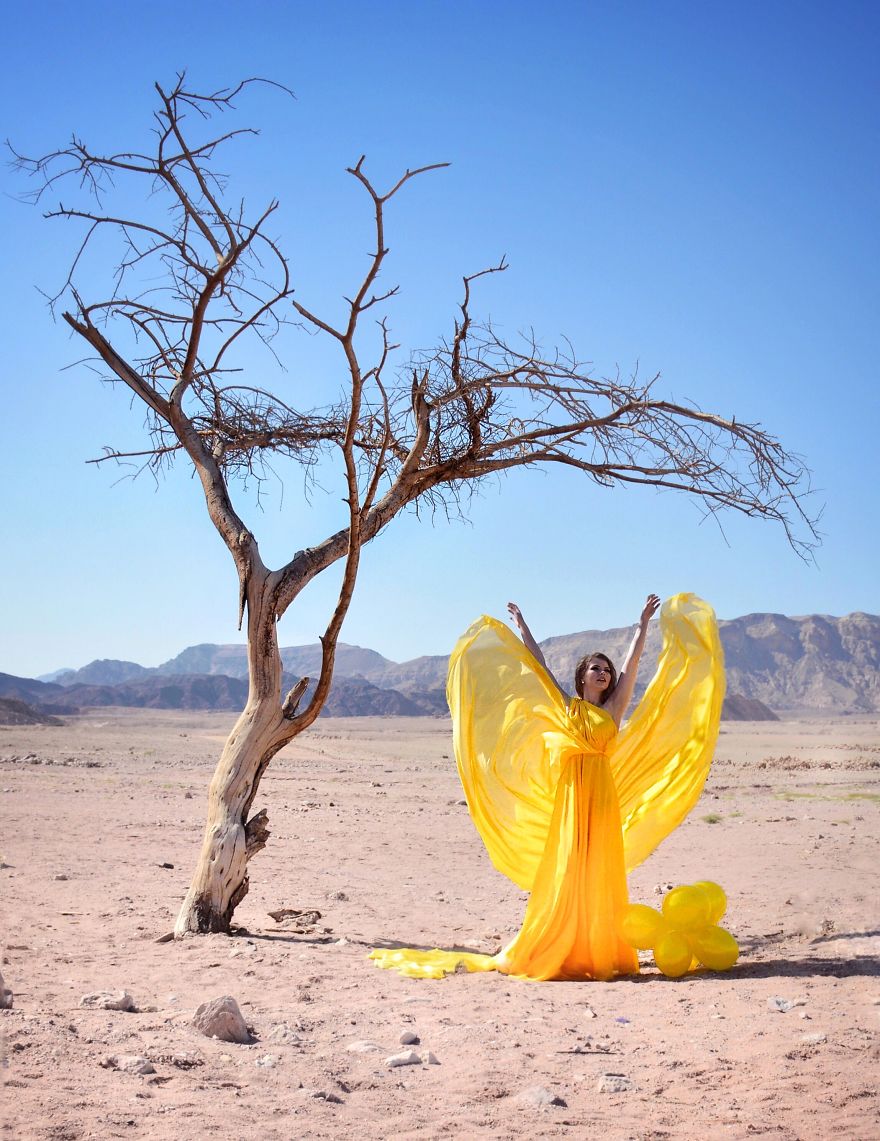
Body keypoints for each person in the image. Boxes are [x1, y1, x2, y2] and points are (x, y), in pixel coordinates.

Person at [370, 592, 725, 982]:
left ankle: (597, 948)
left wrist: (642, 626)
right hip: (572, 795)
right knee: (570, 868)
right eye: (595, 668)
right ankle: (563, 944)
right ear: (582, 677)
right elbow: (537, 668)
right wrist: (523, 628)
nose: (603, 673)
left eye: (606, 669)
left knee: (600, 869)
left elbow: (633, 664)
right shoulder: (567, 707)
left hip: (601, 793)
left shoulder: (614, 708)